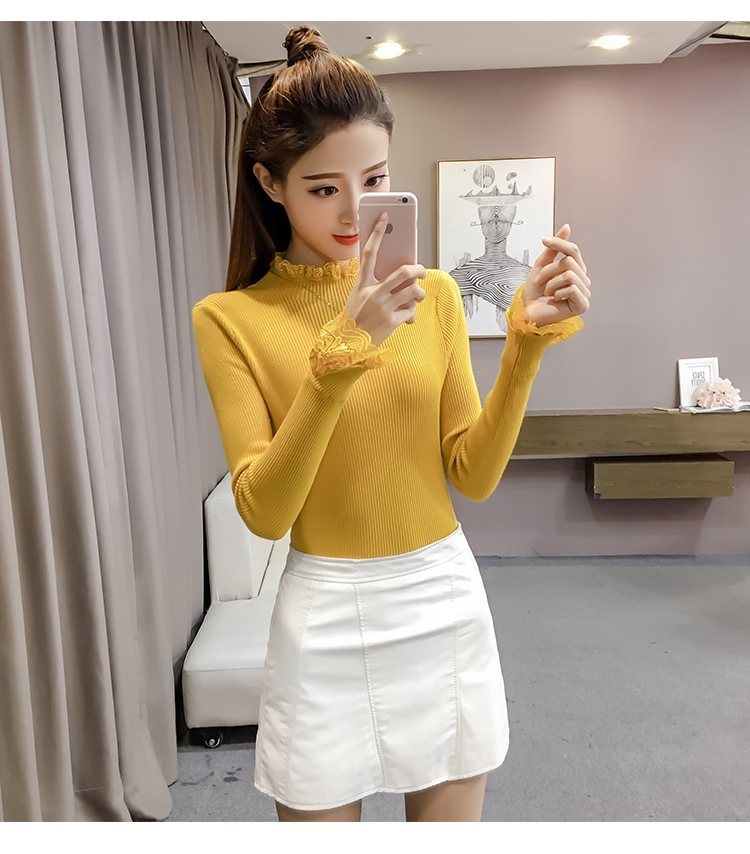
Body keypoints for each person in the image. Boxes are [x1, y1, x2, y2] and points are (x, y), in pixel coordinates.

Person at [192, 25, 591, 823]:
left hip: (440, 598)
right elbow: (265, 512)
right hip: (324, 613)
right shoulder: (229, 319)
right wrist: (340, 358)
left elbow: (472, 475)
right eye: (322, 188)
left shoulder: (433, 296)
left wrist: (523, 347)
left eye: (373, 180)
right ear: (270, 182)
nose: (354, 212)